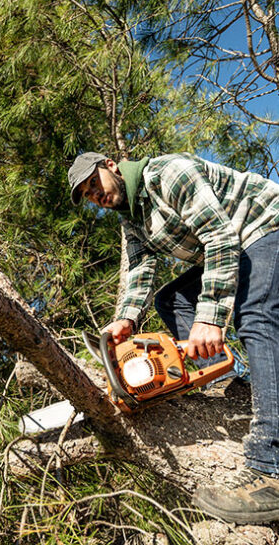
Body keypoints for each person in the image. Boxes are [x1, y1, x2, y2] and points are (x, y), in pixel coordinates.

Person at [68, 151, 279, 524]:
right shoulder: (131, 218)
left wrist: (211, 318)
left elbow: (219, 234)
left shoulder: (168, 173)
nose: (95, 195)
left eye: (93, 183)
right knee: (172, 298)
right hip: (237, 245)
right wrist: (126, 320)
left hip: (265, 227)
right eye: (88, 194)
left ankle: (271, 468)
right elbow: (141, 269)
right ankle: (231, 380)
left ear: (111, 166)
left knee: (256, 314)